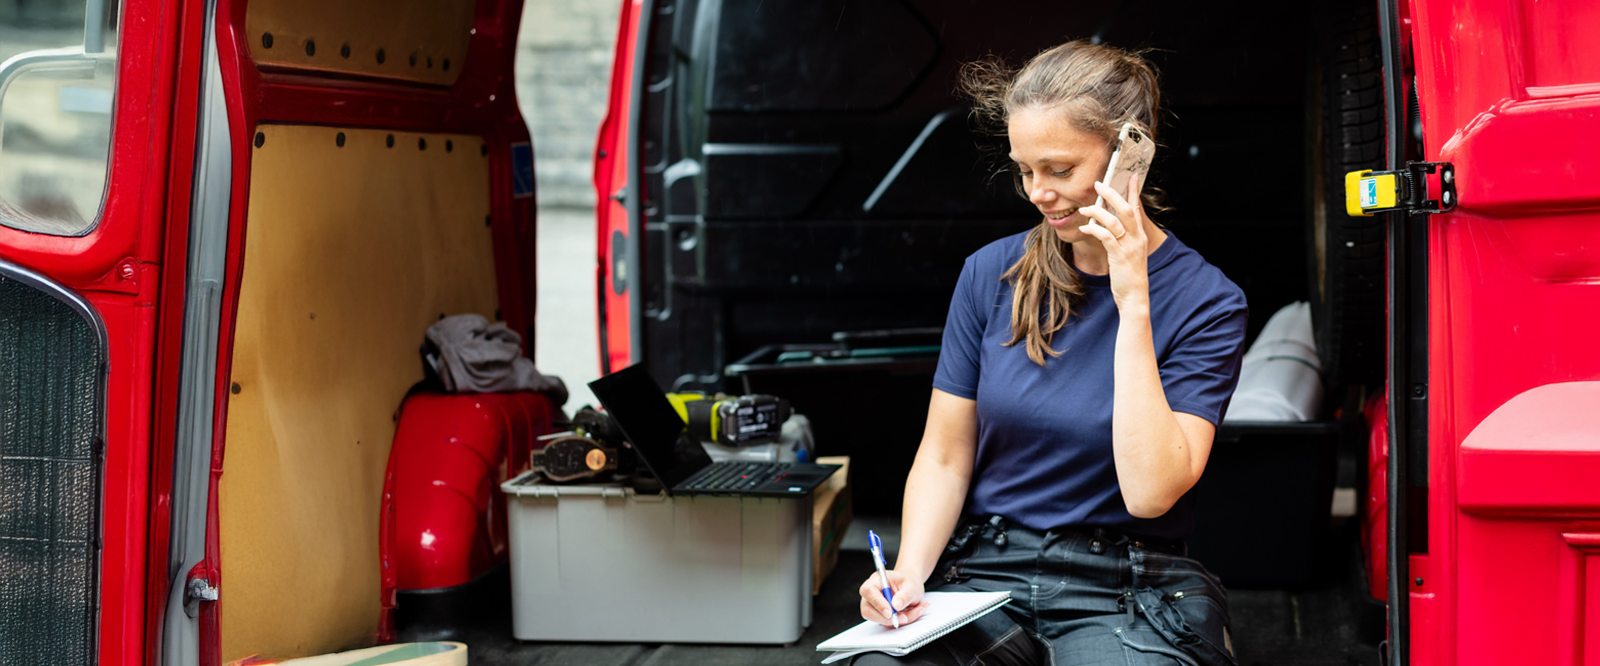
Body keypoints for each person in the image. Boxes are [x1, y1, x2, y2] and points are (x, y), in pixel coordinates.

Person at [854, 41, 1248, 666]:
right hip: (988, 573)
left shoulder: (1208, 301)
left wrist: (1132, 301)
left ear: (1130, 156)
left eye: (1059, 170)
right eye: (1024, 170)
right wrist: (908, 572)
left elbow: (1150, 493)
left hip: (1128, 585)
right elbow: (946, 454)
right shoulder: (990, 274)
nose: (1037, 192)